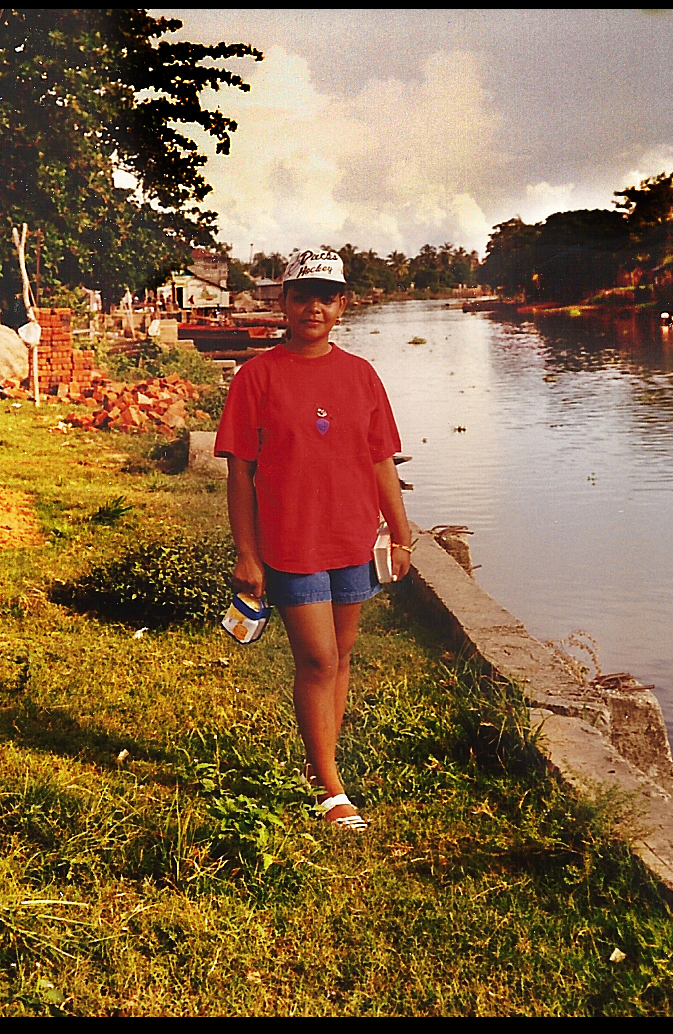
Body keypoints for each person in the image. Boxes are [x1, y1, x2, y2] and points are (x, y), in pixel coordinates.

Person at [214, 248, 412, 829]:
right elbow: (240, 472)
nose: (314, 308)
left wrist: (400, 535)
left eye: (327, 297)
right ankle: (330, 788)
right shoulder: (257, 376)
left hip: (352, 538)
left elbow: (381, 461)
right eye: (303, 296)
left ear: (343, 304)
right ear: (284, 302)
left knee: (342, 656)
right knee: (318, 657)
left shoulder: (361, 375)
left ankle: (318, 764)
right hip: (290, 542)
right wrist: (247, 554)